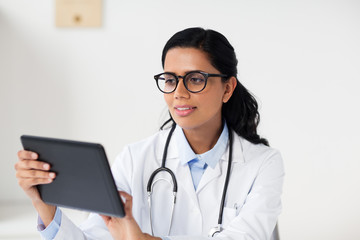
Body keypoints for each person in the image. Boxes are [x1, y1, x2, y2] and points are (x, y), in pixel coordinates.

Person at [15, 27, 284, 240]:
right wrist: (45, 208)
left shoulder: (263, 164)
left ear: (227, 88)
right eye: (170, 79)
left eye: (195, 79)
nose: (179, 92)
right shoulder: (135, 158)